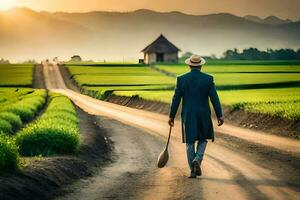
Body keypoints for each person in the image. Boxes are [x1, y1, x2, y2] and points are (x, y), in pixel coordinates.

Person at [168, 54, 224, 178]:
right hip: (204, 114)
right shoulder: (208, 79)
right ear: (201, 65)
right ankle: (197, 159)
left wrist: (171, 116)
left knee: (189, 142)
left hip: (188, 115)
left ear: (189, 65)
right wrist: (220, 115)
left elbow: (176, 99)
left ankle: (192, 170)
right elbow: (214, 98)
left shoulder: (181, 79)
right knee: (203, 139)